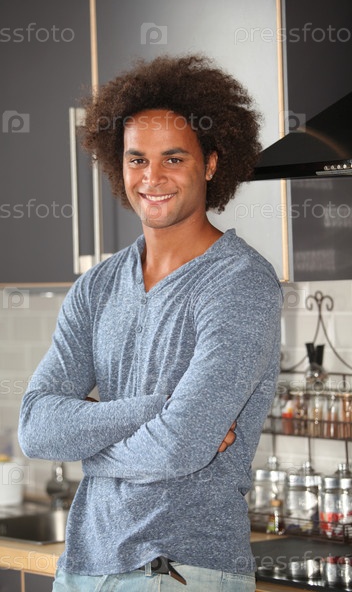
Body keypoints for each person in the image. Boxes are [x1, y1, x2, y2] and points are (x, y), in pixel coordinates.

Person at [18, 54, 283, 591]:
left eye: (173, 158)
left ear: (211, 164)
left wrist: (87, 445)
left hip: (180, 570)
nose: (152, 178)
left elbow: (179, 448)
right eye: (137, 159)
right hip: (84, 566)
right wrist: (157, 409)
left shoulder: (240, 283)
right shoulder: (97, 285)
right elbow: (36, 428)